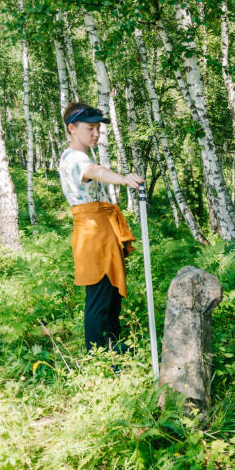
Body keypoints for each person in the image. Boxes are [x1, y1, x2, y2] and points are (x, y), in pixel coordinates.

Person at [58, 102, 144, 354]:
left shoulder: (75, 155)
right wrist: (123, 178)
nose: (95, 134)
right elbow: (93, 171)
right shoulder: (75, 158)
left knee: (110, 294)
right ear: (72, 128)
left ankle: (113, 346)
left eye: (98, 129)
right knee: (99, 296)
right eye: (90, 128)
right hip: (92, 232)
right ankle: (97, 355)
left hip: (99, 228)